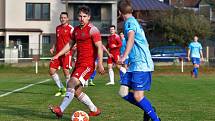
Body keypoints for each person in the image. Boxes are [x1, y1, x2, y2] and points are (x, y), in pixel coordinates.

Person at [49, 5, 105, 118]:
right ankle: (94, 110)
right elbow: (69, 44)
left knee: (71, 83)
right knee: (77, 92)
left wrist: (100, 63)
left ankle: (60, 109)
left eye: (84, 16)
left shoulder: (93, 30)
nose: (81, 18)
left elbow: (99, 47)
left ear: (89, 17)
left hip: (88, 65)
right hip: (79, 64)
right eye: (79, 16)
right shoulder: (76, 30)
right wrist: (57, 55)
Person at [118, 1, 161, 121]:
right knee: (123, 92)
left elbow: (131, 38)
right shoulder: (134, 22)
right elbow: (145, 43)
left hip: (141, 65)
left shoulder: (129, 23)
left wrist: (124, 56)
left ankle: (156, 118)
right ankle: (149, 109)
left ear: (119, 12)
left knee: (137, 96)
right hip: (134, 65)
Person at [49, 12, 73, 97]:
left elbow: (75, 42)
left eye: (64, 17)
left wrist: (70, 50)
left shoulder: (71, 28)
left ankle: (68, 92)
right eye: (61, 17)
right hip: (57, 54)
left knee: (66, 72)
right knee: (51, 70)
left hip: (67, 54)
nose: (62, 19)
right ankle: (62, 88)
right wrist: (53, 48)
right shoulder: (58, 28)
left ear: (67, 19)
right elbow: (57, 40)